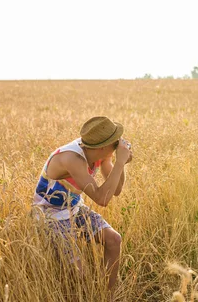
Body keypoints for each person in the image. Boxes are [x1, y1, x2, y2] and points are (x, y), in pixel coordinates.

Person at [32, 116, 132, 292]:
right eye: (115, 142)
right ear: (102, 146)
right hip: (49, 215)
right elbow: (102, 200)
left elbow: (115, 190)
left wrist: (119, 163)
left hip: (74, 209)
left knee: (114, 240)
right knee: (80, 276)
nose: (118, 144)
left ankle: (106, 296)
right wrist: (120, 161)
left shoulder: (100, 154)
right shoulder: (72, 159)